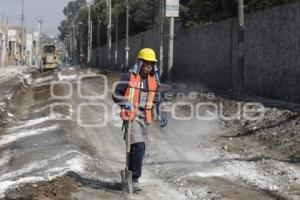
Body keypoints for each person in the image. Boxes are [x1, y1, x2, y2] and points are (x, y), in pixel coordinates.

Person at [112, 48, 168, 191]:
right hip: (132, 117)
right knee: (139, 146)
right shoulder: (129, 77)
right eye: (146, 63)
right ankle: (135, 178)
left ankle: (131, 174)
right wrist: (124, 102)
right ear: (140, 63)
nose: (149, 66)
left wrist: (161, 112)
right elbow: (116, 93)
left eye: (151, 64)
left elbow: (157, 98)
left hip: (144, 119)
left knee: (137, 150)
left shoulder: (152, 80)